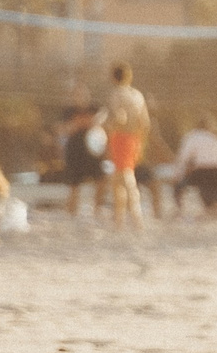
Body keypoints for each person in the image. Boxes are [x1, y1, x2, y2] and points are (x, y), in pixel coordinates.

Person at [100, 63, 152, 233]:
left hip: (120, 137)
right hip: (134, 138)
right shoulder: (138, 95)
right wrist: (140, 144)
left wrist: (107, 130)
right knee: (119, 181)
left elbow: (118, 117)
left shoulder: (116, 94)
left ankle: (137, 219)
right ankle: (119, 221)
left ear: (114, 77)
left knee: (126, 178)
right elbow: (145, 123)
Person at [162, 114, 217, 217]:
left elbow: (183, 158)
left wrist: (177, 174)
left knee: (179, 186)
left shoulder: (193, 136)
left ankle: (179, 209)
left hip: (201, 171)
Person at [57, 89, 105, 219]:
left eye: (83, 95)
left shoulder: (94, 108)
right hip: (75, 151)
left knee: (100, 180)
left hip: (92, 151)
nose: (80, 98)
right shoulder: (69, 111)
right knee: (74, 185)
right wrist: (77, 125)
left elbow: (102, 118)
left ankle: (97, 211)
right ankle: (71, 213)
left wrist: (95, 122)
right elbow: (63, 129)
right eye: (77, 95)